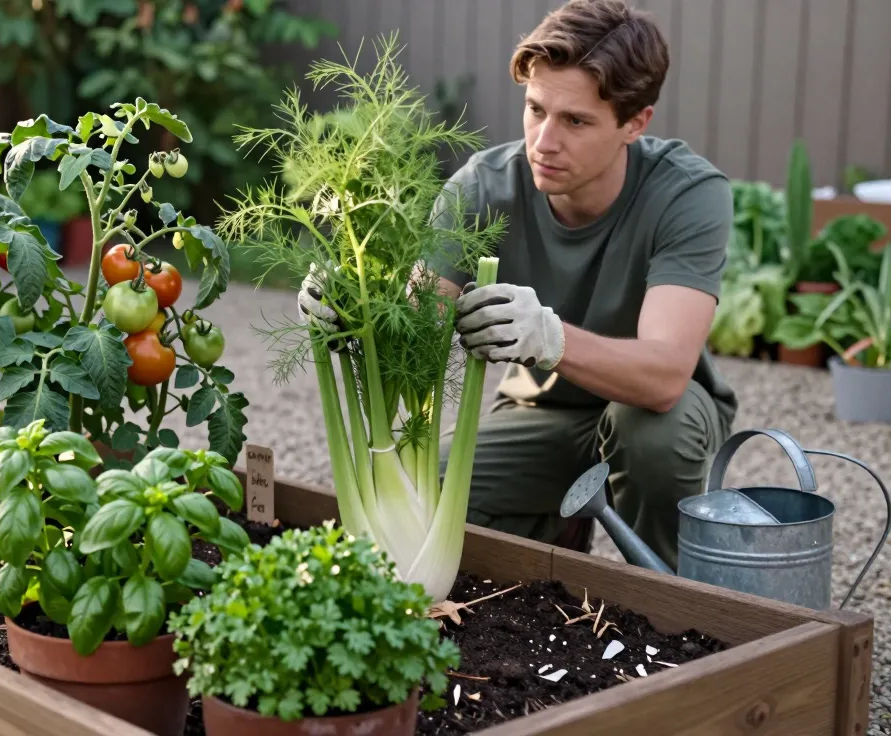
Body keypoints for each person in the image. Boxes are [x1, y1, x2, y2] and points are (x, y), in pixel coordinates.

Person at [297, 0, 736, 570]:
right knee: (428, 492)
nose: (544, 141)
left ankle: (675, 600)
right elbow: (418, 332)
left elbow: (665, 377)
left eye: (575, 121)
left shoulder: (686, 194)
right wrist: (351, 312)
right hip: (542, 417)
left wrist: (551, 338)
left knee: (652, 435)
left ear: (635, 123)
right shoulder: (484, 187)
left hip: (653, 413)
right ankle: (560, 525)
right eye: (535, 110)